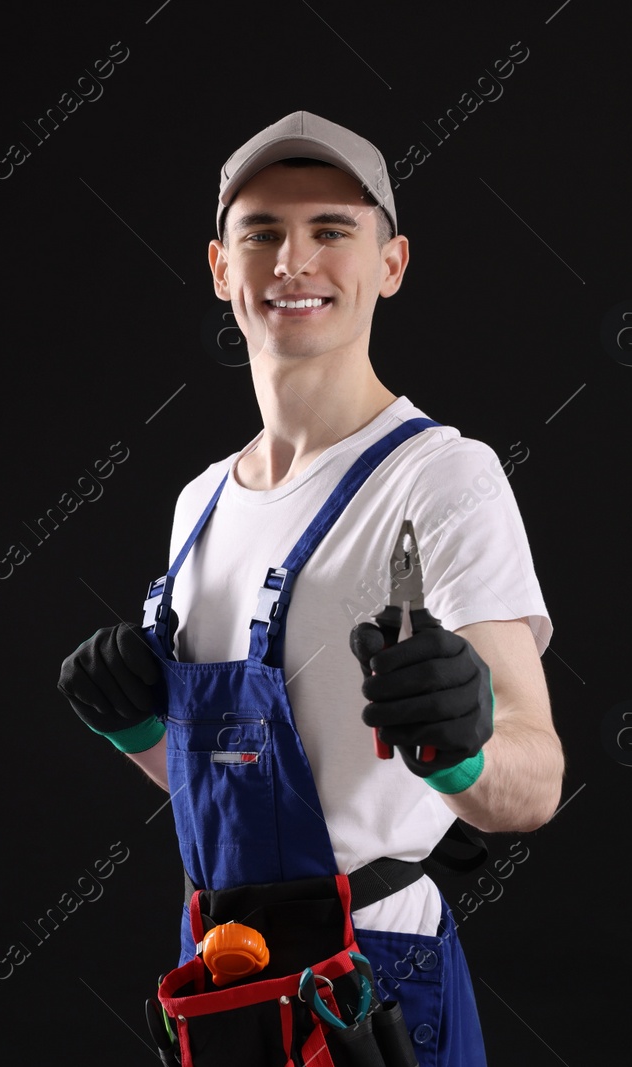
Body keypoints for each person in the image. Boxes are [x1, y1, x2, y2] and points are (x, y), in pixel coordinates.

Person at [57, 111, 563, 1066]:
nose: (295, 260)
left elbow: (533, 785)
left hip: (369, 972)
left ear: (392, 263)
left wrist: (462, 754)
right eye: (263, 233)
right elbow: (241, 783)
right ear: (221, 267)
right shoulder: (200, 502)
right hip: (216, 969)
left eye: (333, 229)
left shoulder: (442, 479)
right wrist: (142, 735)